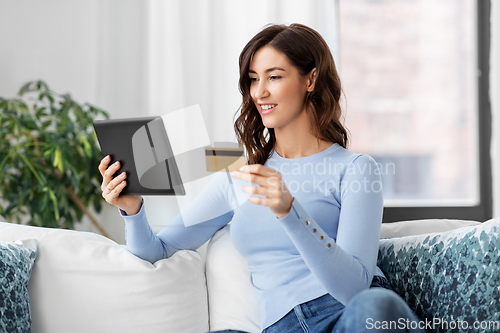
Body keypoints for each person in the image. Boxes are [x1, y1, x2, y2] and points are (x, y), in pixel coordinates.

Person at [98, 24, 425, 333]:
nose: (260, 92)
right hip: (282, 325)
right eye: (253, 79)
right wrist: (132, 208)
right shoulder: (239, 173)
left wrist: (290, 212)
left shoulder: (356, 168)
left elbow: (355, 288)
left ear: (310, 80)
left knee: (377, 305)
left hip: (354, 317)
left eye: (275, 76)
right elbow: (157, 250)